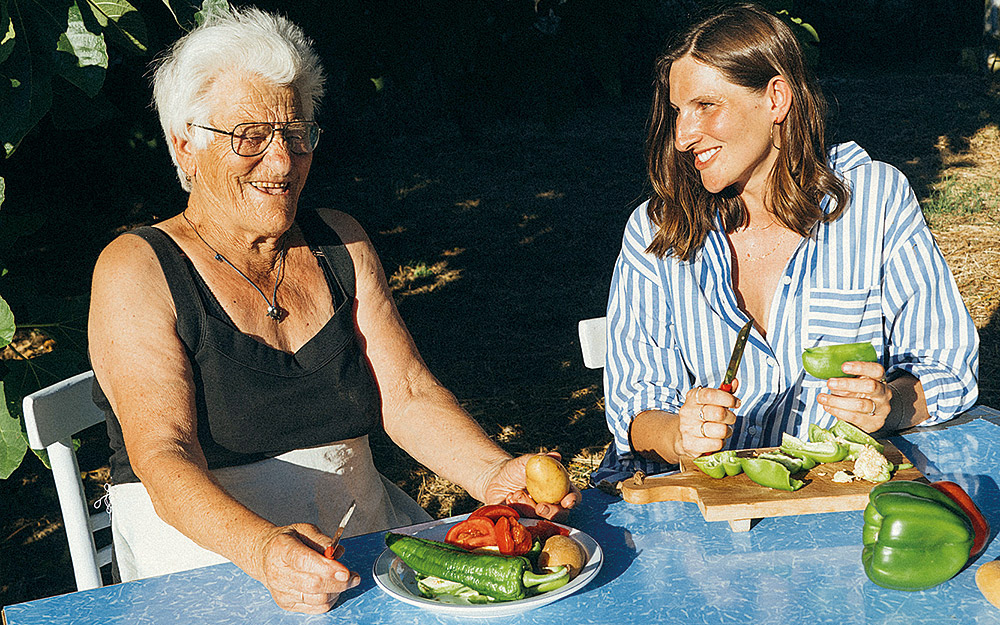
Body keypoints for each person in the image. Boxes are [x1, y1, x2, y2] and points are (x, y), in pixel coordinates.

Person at [88, 7, 578, 614]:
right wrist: (265, 549)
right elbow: (163, 454)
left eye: (296, 134)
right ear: (185, 145)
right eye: (250, 136)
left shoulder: (339, 241)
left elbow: (406, 394)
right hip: (207, 552)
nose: (282, 162)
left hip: (357, 531)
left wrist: (492, 475)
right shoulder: (136, 268)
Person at [596, 3, 979, 483]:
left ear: (776, 98)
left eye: (706, 106)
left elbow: (946, 367)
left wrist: (890, 403)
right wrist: (678, 434)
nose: (682, 136)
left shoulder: (873, 202)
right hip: (704, 505)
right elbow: (636, 404)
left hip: (838, 497)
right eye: (677, 112)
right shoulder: (659, 232)